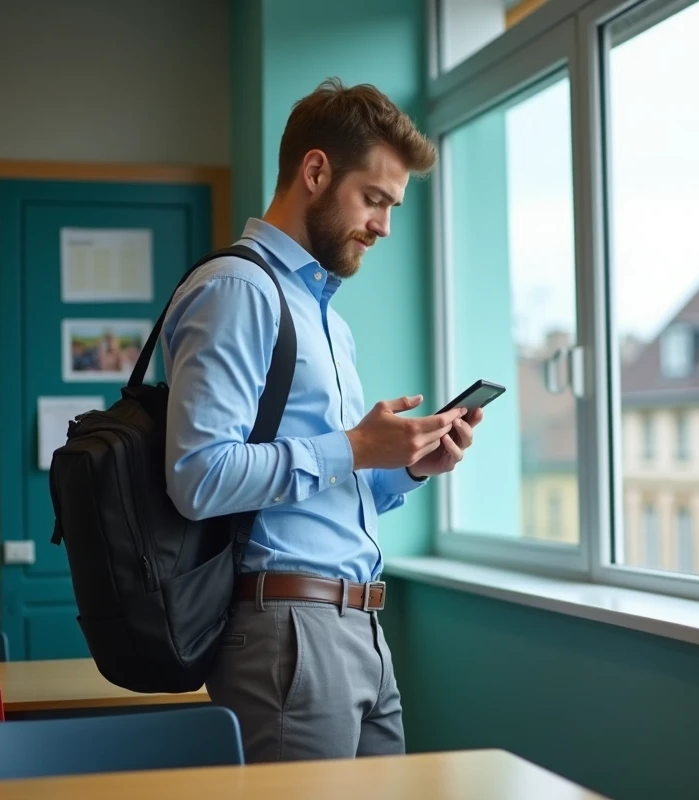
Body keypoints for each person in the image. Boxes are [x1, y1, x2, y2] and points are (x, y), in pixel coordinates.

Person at [159, 77, 484, 763]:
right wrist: (355, 445)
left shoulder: (326, 317)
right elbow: (197, 475)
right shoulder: (236, 292)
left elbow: (323, 488)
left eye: (392, 206)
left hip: (357, 627)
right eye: (374, 199)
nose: (384, 226)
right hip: (289, 633)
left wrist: (399, 470)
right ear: (315, 170)